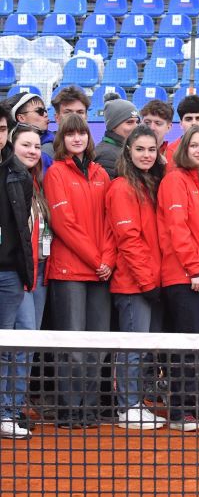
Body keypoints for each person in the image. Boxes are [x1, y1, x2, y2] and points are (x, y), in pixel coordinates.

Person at [43, 114, 114, 428]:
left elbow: (112, 221)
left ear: (88, 137)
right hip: (70, 271)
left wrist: (108, 261)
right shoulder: (56, 173)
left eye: (81, 133)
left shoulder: (101, 174)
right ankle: (69, 410)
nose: (76, 139)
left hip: (100, 273)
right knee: (71, 348)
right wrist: (97, 260)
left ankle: (88, 409)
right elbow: (64, 224)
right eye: (70, 134)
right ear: (63, 139)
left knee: (96, 348)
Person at [157, 125, 199, 431]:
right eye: (195, 145)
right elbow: (178, 229)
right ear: (185, 148)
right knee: (188, 346)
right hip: (186, 278)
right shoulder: (175, 180)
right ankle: (181, 411)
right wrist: (194, 269)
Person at [105, 125, 165, 430]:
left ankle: (137, 402)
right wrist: (147, 282)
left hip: (151, 282)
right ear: (128, 151)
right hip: (134, 284)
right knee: (132, 347)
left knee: (143, 349)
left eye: (151, 150)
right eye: (140, 149)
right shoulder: (121, 187)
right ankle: (128, 406)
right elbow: (128, 239)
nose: (146, 155)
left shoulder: (149, 184)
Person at [0, 126, 41, 439]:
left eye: (37, 145)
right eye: (25, 144)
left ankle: (10, 411)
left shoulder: (21, 177)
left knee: (24, 342)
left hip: (19, 274)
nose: (32, 150)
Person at [95, 96, 140, 179]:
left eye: (137, 122)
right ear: (113, 126)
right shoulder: (107, 155)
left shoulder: (122, 149)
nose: (136, 127)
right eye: (129, 122)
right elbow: (107, 190)